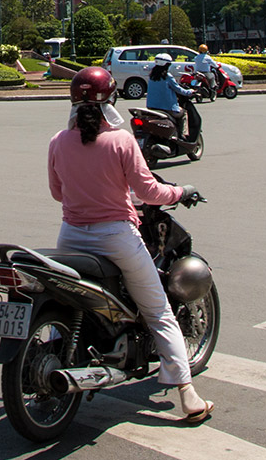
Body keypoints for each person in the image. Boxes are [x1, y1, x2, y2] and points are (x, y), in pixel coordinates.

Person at [49, 67, 211, 422]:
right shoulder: (121, 141)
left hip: (71, 237)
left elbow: (57, 192)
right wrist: (180, 191)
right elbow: (148, 192)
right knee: (157, 311)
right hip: (116, 237)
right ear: (111, 100)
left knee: (69, 299)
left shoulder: (58, 141)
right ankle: (187, 393)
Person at [147, 53, 199, 142]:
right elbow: (178, 89)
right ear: (167, 65)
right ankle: (183, 135)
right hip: (167, 108)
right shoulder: (167, 76)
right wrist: (190, 92)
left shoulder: (151, 76)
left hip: (151, 108)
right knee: (183, 114)